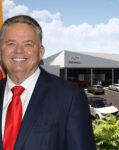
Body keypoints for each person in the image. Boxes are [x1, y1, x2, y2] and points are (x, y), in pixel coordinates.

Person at [0, 15, 96, 150]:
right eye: (11, 43)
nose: (19, 50)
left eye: (28, 44)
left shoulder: (70, 96)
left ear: (40, 52)